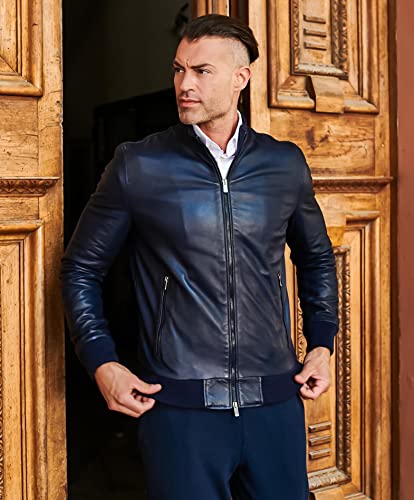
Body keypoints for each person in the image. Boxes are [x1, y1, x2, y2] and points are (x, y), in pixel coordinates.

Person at [61, 14, 338, 500]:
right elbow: (81, 269)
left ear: (240, 78)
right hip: (179, 409)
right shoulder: (138, 165)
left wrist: (322, 342)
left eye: (202, 71)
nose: (184, 84)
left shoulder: (284, 163)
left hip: (275, 403)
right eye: (178, 69)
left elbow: (316, 257)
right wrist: (102, 361)